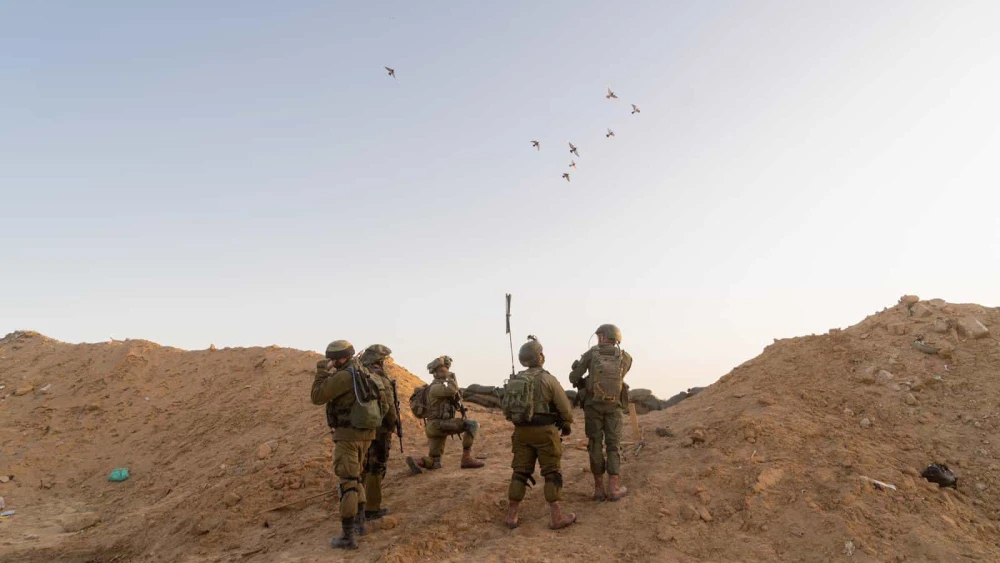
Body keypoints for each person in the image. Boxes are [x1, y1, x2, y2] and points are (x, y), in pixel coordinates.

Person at [311, 340, 388, 550]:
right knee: (357, 477)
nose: (332, 363)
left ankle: (348, 535)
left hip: (348, 436)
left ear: (339, 358)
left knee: (348, 482)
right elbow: (385, 404)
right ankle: (360, 524)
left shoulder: (345, 376)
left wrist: (321, 371)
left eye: (333, 359)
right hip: (367, 435)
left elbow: (317, 396)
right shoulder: (367, 373)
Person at [504, 337, 577, 530]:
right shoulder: (548, 379)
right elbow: (565, 409)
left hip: (521, 432)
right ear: (539, 356)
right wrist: (567, 425)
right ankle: (556, 516)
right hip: (545, 432)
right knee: (552, 472)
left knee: (520, 471)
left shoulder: (516, 380)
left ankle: (512, 515)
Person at [568, 324, 633, 502]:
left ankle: (598, 489)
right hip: (614, 407)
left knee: (595, 444)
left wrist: (583, 377)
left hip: (593, 406)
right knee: (614, 445)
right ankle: (614, 488)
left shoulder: (591, 354)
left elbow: (573, 378)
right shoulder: (625, 357)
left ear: (603, 337)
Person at [406, 356, 485, 472]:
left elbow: (456, 395)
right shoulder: (435, 388)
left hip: (433, 426)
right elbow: (452, 390)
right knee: (473, 425)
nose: (445, 373)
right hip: (440, 425)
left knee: (435, 461)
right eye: (442, 371)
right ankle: (466, 458)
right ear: (435, 374)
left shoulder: (436, 387)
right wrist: (451, 377)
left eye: (446, 370)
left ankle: (418, 461)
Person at [358, 344, 399, 521]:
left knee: (361, 465)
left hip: (359, 428)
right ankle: (372, 507)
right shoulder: (379, 375)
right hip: (379, 428)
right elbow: (388, 404)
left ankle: (357, 504)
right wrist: (393, 424)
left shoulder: (357, 374)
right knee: (376, 465)